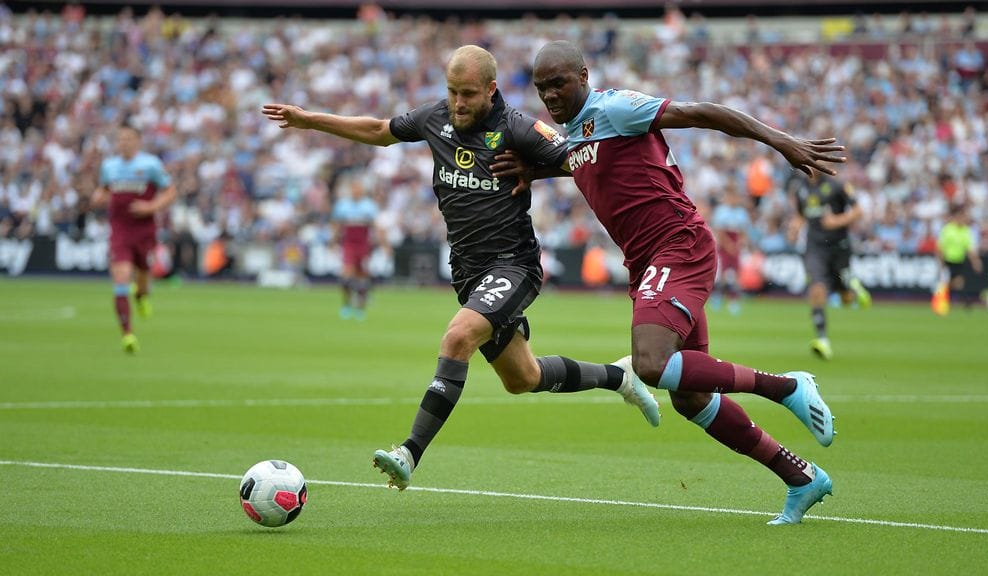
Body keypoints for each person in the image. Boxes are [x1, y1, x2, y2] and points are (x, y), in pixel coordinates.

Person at [261, 45, 660, 491]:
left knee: (457, 337)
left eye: (467, 93)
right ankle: (619, 376)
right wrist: (309, 119)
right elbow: (378, 129)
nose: (458, 103)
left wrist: (533, 169)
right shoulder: (436, 118)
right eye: (452, 92)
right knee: (522, 378)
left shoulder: (518, 128)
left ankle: (408, 453)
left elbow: (582, 158)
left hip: (514, 265)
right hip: (468, 272)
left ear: (491, 90)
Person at [502, 40, 847, 525]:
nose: (550, 95)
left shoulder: (616, 107)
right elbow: (580, 162)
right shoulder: (574, 135)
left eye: (558, 83)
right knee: (689, 397)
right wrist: (531, 171)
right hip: (646, 263)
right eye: (541, 88)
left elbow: (702, 112)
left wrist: (780, 141)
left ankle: (787, 386)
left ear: (583, 75)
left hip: (678, 245)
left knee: (649, 363)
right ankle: (801, 477)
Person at [91, 123, 177, 353]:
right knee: (121, 278)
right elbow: (104, 190)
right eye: (120, 139)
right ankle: (127, 334)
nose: (124, 143)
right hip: (120, 230)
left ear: (137, 141)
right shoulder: (109, 167)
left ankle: (141, 296)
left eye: (128, 139)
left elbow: (170, 191)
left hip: (145, 231)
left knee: (142, 276)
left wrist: (151, 206)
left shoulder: (150, 165)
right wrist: (97, 197)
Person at [786, 171, 872, 360]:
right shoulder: (800, 188)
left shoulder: (837, 185)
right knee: (817, 288)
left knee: (846, 298)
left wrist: (837, 221)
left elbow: (858, 211)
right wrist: (795, 228)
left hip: (839, 247)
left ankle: (852, 285)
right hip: (815, 248)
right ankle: (822, 340)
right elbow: (801, 215)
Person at [331, 179, 381, 320]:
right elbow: (337, 225)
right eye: (354, 188)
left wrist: (381, 243)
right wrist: (333, 241)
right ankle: (346, 304)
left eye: (358, 189)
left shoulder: (369, 206)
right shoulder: (343, 205)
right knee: (346, 274)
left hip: (363, 244)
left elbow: (375, 226)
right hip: (349, 244)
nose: (356, 191)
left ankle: (360, 307)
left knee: (362, 275)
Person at [709, 183, 751, 315]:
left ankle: (734, 299)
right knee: (723, 274)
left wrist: (741, 243)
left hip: (735, 244)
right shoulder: (722, 211)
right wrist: (729, 246)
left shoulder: (741, 212)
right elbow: (720, 232)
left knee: (736, 274)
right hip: (724, 246)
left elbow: (743, 231)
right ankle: (717, 297)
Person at [936, 203, 983, 311]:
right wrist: (941, 263)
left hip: (959, 261)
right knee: (948, 283)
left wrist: (976, 262)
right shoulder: (948, 229)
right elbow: (940, 248)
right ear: (956, 217)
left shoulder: (966, 231)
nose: (963, 219)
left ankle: (957, 303)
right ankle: (944, 304)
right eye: (961, 217)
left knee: (957, 283)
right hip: (948, 261)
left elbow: (970, 249)